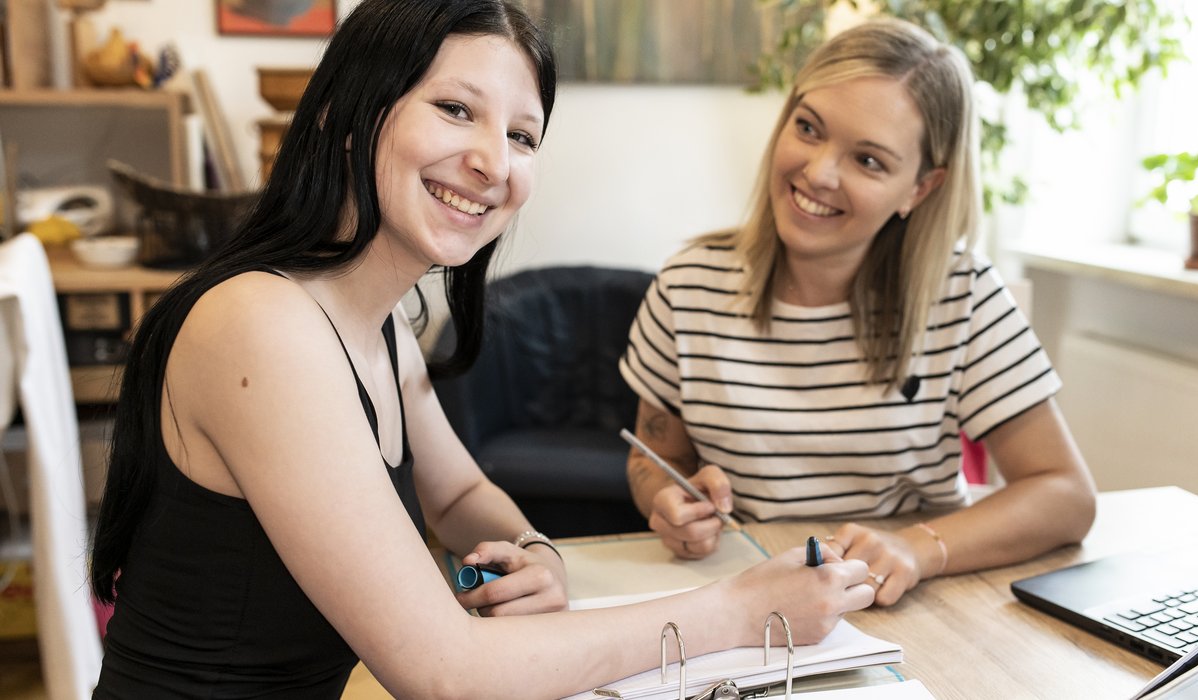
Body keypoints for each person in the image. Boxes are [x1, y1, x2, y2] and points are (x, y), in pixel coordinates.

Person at [87, 1, 874, 697]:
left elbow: (461, 500)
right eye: (457, 109)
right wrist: (737, 609)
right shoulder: (261, 325)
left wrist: (535, 550)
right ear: (346, 114)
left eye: (522, 134)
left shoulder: (378, 322)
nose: (494, 161)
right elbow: (448, 675)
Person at [619, 17, 1097, 608]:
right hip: (752, 602)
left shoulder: (963, 295)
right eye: (808, 128)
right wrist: (668, 501)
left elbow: (1066, 495)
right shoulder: (687, 284)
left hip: (913, 607)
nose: (818, 172)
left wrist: (921, 548)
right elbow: (655, 459)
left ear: (920, 189)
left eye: (868, 160)